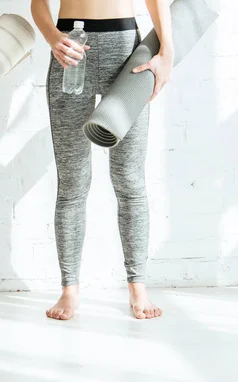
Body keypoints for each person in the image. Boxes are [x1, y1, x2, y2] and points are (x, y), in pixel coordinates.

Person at [31, 0, 174, 320]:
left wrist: (167, 52)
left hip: (126, 50)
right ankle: (69, 289)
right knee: (72, 181)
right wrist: (54, 37)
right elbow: (37, 3)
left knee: (129, 178)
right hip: (70, 49)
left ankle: (137, 285)